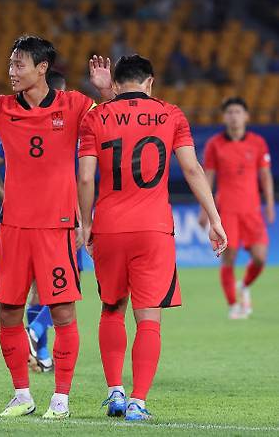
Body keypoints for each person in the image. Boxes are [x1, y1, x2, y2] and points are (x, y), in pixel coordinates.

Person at [0, 35, 114, 419]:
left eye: (19, 65)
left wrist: (107, 91)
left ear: (42, 68)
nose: (11, 71)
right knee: (8, 314)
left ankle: (61, 398)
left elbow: (116, 124)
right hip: (13, 228)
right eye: (10, 64)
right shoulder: (1, 107)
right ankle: (22, 395)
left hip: (58, 227)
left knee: (63, 314)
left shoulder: (76, 104)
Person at [78, 54, 227, 421]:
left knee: (112, 309)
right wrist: (214, 217)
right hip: (153, 227)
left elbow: (84, 178)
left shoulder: (95, 117)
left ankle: (114, 392)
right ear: (150, 82)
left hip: (109, 226)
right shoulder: (171, 114)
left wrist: (86, 224)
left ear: (115, 83)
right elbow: (192, 168)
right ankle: (138, 402)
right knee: (149, 319)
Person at [0, 70, 73, 374]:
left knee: (39, 290)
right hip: (60, 218)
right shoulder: (67, 123)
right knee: (62, 290)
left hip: (30, 218)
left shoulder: (23, 126)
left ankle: (43, 355)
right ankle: (35, 334)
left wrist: (3, 194)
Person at [200, 97, 274, 319]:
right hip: (227, 211)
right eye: (230, 112)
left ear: (246, 116)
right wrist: (204, 210)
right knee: (228, 258)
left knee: (260, 258)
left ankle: (244, 285)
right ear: (224, 117)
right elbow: (208, 178)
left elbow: (265, 175)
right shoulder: (215, 144)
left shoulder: (257, 142)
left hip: (252, 210)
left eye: (238, 112)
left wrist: (269, 204)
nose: (234, 116)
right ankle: (233, 305)